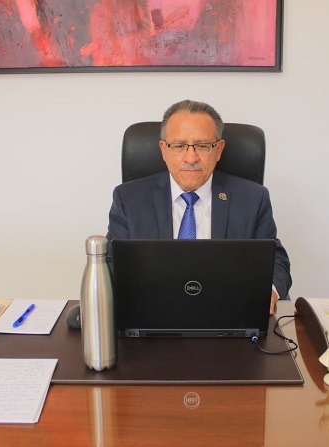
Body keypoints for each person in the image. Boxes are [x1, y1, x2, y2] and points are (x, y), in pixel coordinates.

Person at [106, 99, 291, 313]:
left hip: (228, 313)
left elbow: (275, 260)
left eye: (203, 146)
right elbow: (110, 264)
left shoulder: (252, 198)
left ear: (219, 150)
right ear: (163, 150)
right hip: (152, 313)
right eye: (179, 146)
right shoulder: (129, 199)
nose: (191, 158)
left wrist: (269, 292)